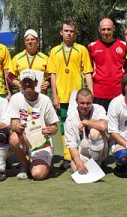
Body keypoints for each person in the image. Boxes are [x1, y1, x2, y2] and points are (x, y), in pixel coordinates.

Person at [47, 21, 93, 170]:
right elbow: (52, 75)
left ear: (75, 33)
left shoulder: (81, 50)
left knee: (81, 124)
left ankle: (85, 154)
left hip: (78, 95)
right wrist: (54, 95)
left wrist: (90, 92)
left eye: (71, 31)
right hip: (62, 95)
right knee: (64, 126)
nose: (68, 33)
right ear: (61, 32)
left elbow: (87, 72)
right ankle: (67, 156)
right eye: (66, 31)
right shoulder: (54, 51)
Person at [6, 70, 59, 180]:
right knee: (14, 138)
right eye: (24, 81)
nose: (27, 84)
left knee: (37, 175)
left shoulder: (45, 100)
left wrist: (50, 130)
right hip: (25, 139)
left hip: (41, 142)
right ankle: (25, 164)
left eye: (30, 81)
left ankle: (44, 164)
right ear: (20, 84)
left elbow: (55, 127)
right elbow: (14, 124)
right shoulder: (15, 98)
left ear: (36, 83)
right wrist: (16, 127)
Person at [64, 88, 108, 173]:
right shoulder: (70, 118)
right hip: (83, 153)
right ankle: (87, 164)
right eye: (82, 103)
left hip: (101, 150)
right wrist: (77, 161)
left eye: (88, 103)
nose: (85, 106)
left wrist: (86, 122)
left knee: (94, 133)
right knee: (76, 170)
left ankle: (97, 164)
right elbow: (71, 144)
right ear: (76, 101)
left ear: (92, 101)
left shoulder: (98, 109)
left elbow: (103, 126)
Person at [88, 18, 127, 111]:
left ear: (114, 28)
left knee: (120, 122)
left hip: (119, 92)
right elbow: (88, 71)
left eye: (109, 29)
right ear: (99, 30)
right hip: (99, 93)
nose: (106, 32)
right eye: (103, 29)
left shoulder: (124, 46)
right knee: (100, 122)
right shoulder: (92, 47)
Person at [7, 29, 50, 94]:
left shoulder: (45, 58)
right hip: (23, 96)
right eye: (27, 40)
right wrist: (18, 84)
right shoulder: (17, 58)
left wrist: (47, 83)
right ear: (24, 42)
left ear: (37, 41)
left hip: (40, 96)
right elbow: (10, 76)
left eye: (32, 39)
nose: (30, 42)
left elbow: (51, 76)